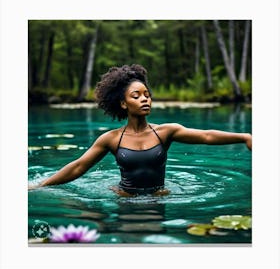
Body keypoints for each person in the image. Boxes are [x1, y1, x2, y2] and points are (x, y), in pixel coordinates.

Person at [28, 64, 252, 196]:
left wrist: (244, 136)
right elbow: (78, 167)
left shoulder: (166, 132)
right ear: (123, 104)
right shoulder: (111, 139)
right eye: (136, 96)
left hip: (159, 198)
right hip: (124, 199)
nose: (145, 99)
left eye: (147, 94)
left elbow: (206, 136)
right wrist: (39, 186)